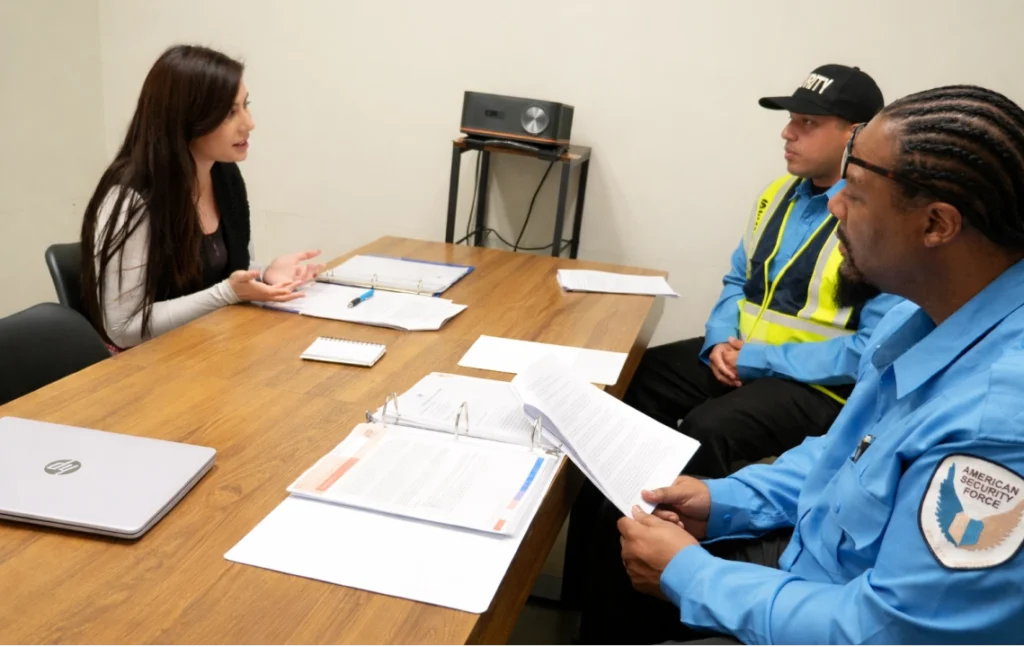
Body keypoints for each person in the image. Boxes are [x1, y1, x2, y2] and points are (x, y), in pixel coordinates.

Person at [580, 84, 1024, 646]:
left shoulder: (997, 423)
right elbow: (842, 457)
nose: (834, 205)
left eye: (855, 194)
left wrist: (691, 574)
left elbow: (888, 631)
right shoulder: (918, 319)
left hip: (861, 616)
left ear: (937, 225)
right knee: (626, 538)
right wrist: (723, 501)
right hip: (821, 563)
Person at [624, 64, 903, 478]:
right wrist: (719, 342)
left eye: (807, 122)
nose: (787, 133)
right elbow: (738, 281)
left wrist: (759, 359)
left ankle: (682, 534)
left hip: (822, 385)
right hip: (745, 357)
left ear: (856, 135)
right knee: (638, 375)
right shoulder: (776, 195)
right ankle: (612, 528)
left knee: (707, 428)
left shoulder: (883, 222)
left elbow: (869, 352)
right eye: (790, 120)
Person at [80, 45, 322, 350]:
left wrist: (264, 274)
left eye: (245, 105)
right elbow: (122, 328)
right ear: (188, 119)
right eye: (230, 112)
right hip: (144, 370)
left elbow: (221, 278)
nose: (249, 123)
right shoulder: (130, 199)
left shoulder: (224, 175)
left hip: (208, 348)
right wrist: (230, 293)